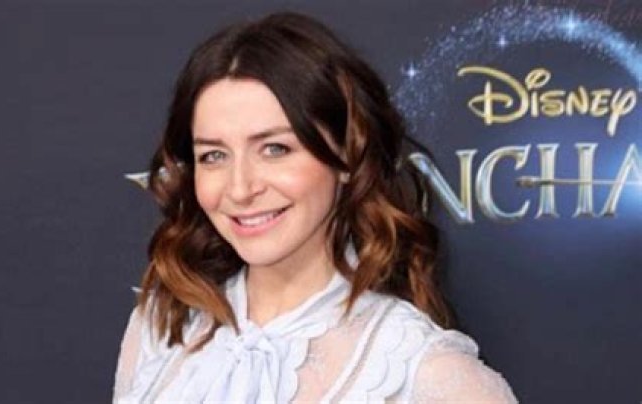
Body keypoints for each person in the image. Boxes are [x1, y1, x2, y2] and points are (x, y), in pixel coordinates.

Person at [113, 11, 517, 403]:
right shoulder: (160, 328)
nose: (240, 188)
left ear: (347, 156)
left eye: (275, 149)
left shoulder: (427, 373)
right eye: (214, 156)